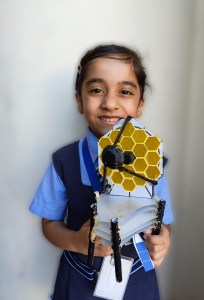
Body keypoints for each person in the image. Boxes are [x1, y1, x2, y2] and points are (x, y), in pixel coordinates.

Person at [29, 44, 174, 300]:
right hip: (78, 282)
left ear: (139, 105)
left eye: (125, 91)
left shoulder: (155, 161)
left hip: (137, 282)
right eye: (97, 90)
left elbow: (163, 224)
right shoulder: (64, 161)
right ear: (79, 101)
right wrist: (76, 241)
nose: (109, 103)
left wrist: (162, 240)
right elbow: (49, 223)